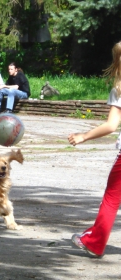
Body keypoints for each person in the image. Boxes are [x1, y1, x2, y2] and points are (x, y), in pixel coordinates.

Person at [68, 41, 121, 258]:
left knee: (111, 198)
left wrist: (83, 136)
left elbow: (111, 126)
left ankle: (94, 242)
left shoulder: (119, 89)